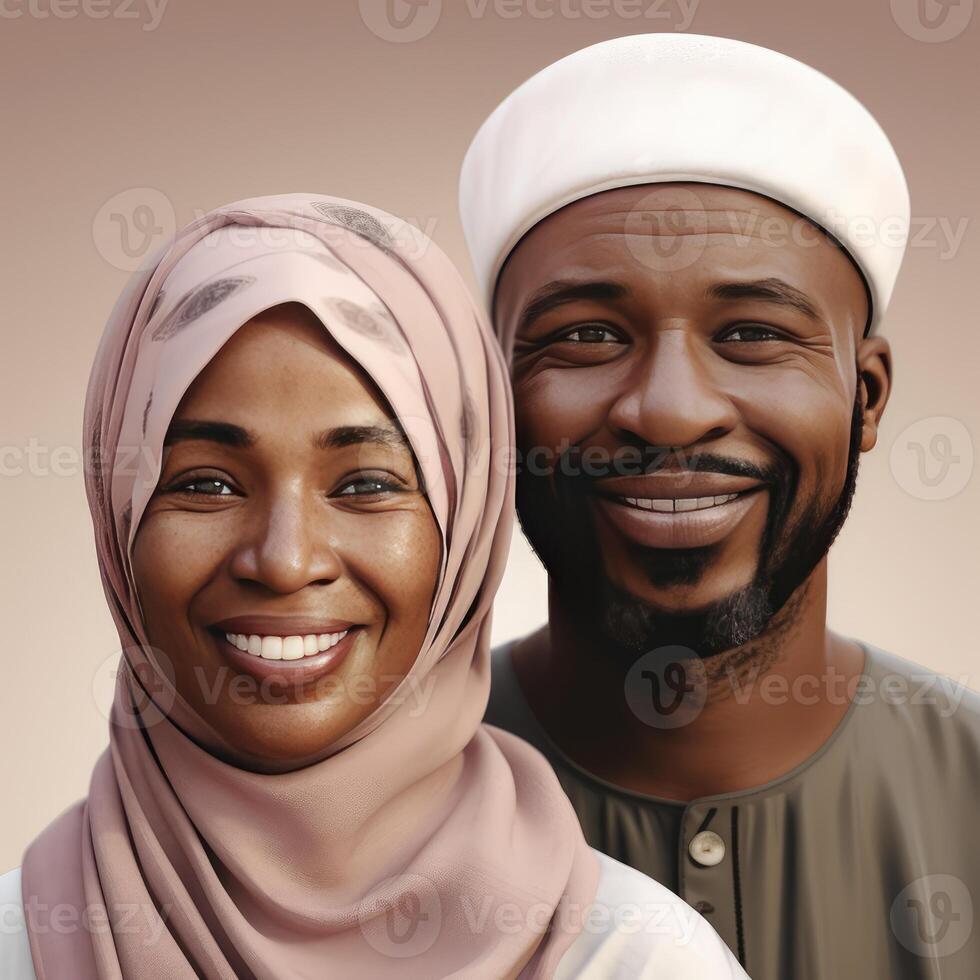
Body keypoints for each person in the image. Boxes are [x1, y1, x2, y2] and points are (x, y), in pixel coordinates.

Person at [0, 194, 747, 979]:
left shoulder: (636, 960)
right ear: (118, 524)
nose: (284, 561)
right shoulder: (24, 944)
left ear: (465, 529)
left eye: (364, 484)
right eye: (209, 484)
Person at [458, 32, 980, 979]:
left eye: (750, 334)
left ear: (866, 400)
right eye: (584, 336)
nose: (670, 409)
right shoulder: (358, 808)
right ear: (493, 398)